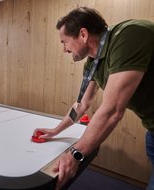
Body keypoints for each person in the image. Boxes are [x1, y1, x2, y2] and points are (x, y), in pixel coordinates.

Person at [33, 7, 154, 190]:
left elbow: (112, 110)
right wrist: (55, 130)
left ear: (82, 34)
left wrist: (76, 154)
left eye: (64, 42)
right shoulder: (92, 63)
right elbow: (81, 105)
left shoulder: (129, 35)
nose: (64, 50)